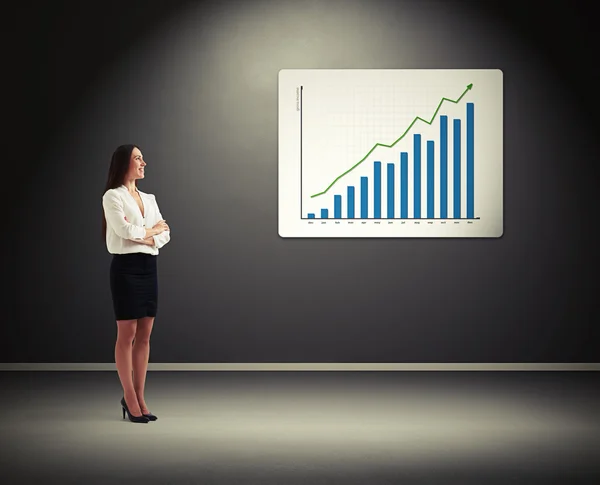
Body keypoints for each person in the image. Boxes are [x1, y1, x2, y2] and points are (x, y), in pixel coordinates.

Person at [101, 144, 171, 423]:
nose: (144, 163)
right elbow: (123, 230)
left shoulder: (149, 197)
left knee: (145, 335)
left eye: (142, 158)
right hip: (126, 268)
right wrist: (152, 230)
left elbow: (165, 234)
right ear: (124, 163)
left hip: (148, 267)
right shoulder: (112, 196)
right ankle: (129, 396)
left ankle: (140, 397)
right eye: (138, 158)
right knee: (127, 334)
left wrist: (149, 233)